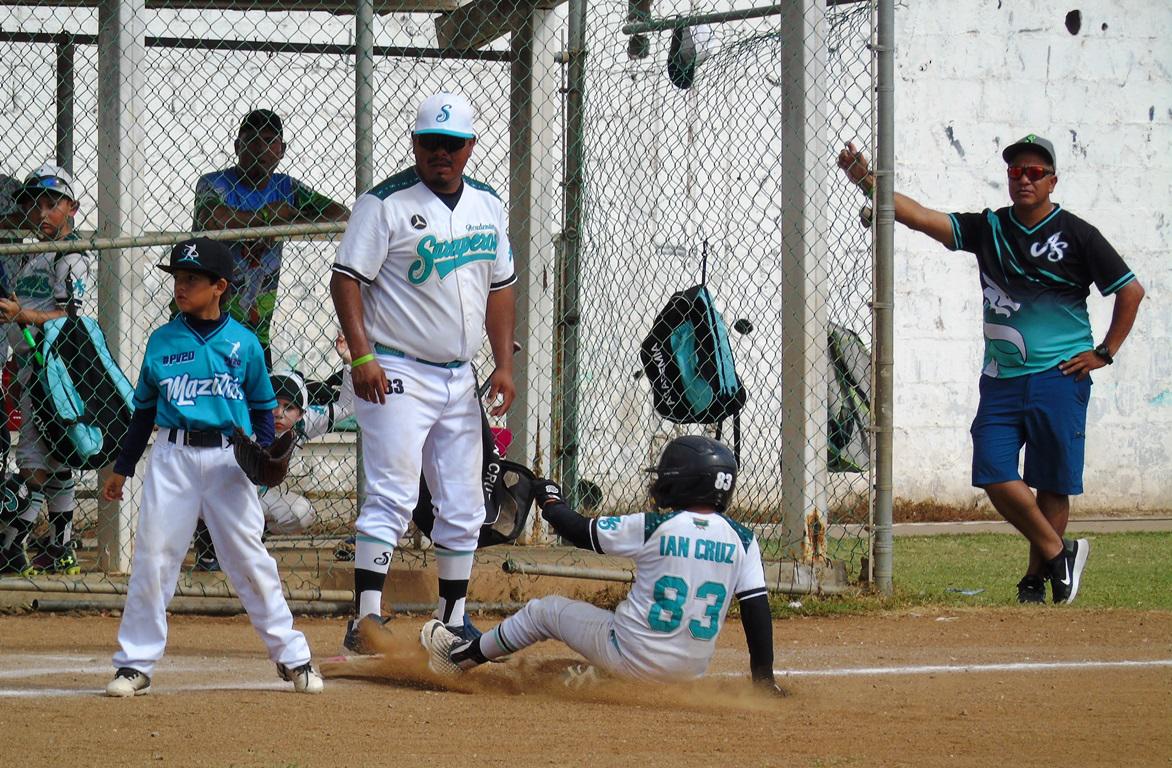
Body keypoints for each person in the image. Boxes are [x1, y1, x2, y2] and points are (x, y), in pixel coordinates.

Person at [837, 134, 1145, 605]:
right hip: (1001, 379)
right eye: (1016, 171)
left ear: (1052, 181)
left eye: (1035, 173)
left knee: (1052, 482)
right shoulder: (991, 229)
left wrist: (1105, 352)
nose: (1024, 179)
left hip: (1060, 376)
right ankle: (1059, 552)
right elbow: (920, 217)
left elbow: (1130, 291)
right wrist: (865, 181)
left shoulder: (1078, 234)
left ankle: (1036, 580)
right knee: (992, 469)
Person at [330, 92, 516, 653]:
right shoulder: (383, 203)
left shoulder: (487, 203)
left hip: (460, 376)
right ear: (414, 144)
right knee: (393, 491)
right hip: (395, 368)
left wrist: (504, 363)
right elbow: (346, 280)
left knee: (463, 501)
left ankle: (452, 621)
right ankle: (365, 621)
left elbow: (501, 287)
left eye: (452, 145)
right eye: (431, 143)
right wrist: (362, 357)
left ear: (469, 148)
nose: (442, 154)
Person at [100, 237, 323, 696]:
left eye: (192, 279)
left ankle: (293, 656)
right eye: (178, 278)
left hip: (229, 459)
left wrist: (261, 456)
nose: (181, 286)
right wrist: (122, 467)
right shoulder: (162, 341)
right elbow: (143, 412)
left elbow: (263, 410)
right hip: (172, 456)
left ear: (219, 286)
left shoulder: (243, 344)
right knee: (155, 556)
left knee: (247, 558)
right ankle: (135, 663)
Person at [420, 435, 783, 694]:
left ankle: (459, 657)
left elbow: (579, 531)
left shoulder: (655, 526)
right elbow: (756, 612)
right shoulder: (744, 540)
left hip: (628, 655)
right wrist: (763, 680)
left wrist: (549, 499)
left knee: (544, 612)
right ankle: (616, 679)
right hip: (688, 675)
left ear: (685, 482)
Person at [193, 109, 349, 366]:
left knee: (257, 402)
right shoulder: (215, 183)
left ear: (282, 150)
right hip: (207, 324)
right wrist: (268, 216)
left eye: (269, 141)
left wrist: (285, 221)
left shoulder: (286, 187)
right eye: (251, 140)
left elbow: (341, 215)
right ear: (237, 146)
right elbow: (213, 219)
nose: (260, 148)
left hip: (256, 333)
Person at [191, 334, 356, 571]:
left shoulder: (305, 422)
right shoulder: (246, 419)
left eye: (288, 407)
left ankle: (253, 537)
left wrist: (349, 362)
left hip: (257, 497)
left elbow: (346, 406)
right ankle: (209, 545)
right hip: (226, 493)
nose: (279, 413)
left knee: (302, 513)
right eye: (273, 404)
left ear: (300, 413)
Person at [0, 164, 92, 576]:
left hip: (54, 370)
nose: (42, 212)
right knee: (55, 459)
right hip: (30, 366)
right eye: (35, 203)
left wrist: (22, 316)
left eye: (52, 203)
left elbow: (69, 319)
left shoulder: (69, 255)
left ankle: (11, 544)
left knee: (34, 462)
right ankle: (61, 546)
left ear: (71, 207)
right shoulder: (31, 252)